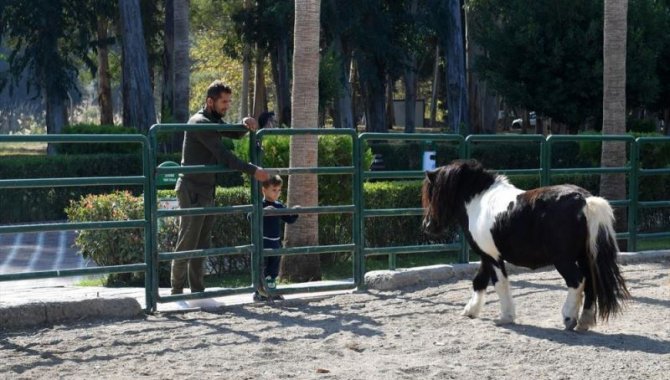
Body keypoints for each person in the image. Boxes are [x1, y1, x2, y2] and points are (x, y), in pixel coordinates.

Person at [172, 80, 270, 295]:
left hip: (205, 188)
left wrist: (245, 123)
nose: (227, 105)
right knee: (188, 240)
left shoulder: (211, 120)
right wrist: (252, 170)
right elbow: (223, 155)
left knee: (201, 243)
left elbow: (232, 132)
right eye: (223, 102)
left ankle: (197, 290)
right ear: (210, 101)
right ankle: (176, 291)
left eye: (228, 101)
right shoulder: (200, 123)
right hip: (192, 188)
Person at [254, 174, 300, 301]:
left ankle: (272, 291)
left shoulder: (279, 206)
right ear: (264, 190)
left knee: (273, 271)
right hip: (262, 243)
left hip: (275, 244)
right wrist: (263, 213)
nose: (277, 193)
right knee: (261, 269)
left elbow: (288, 219)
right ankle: (259, 293)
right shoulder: (259, 205)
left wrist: (295, 212)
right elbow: (249, 216)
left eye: (279, 190)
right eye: (274, 190)